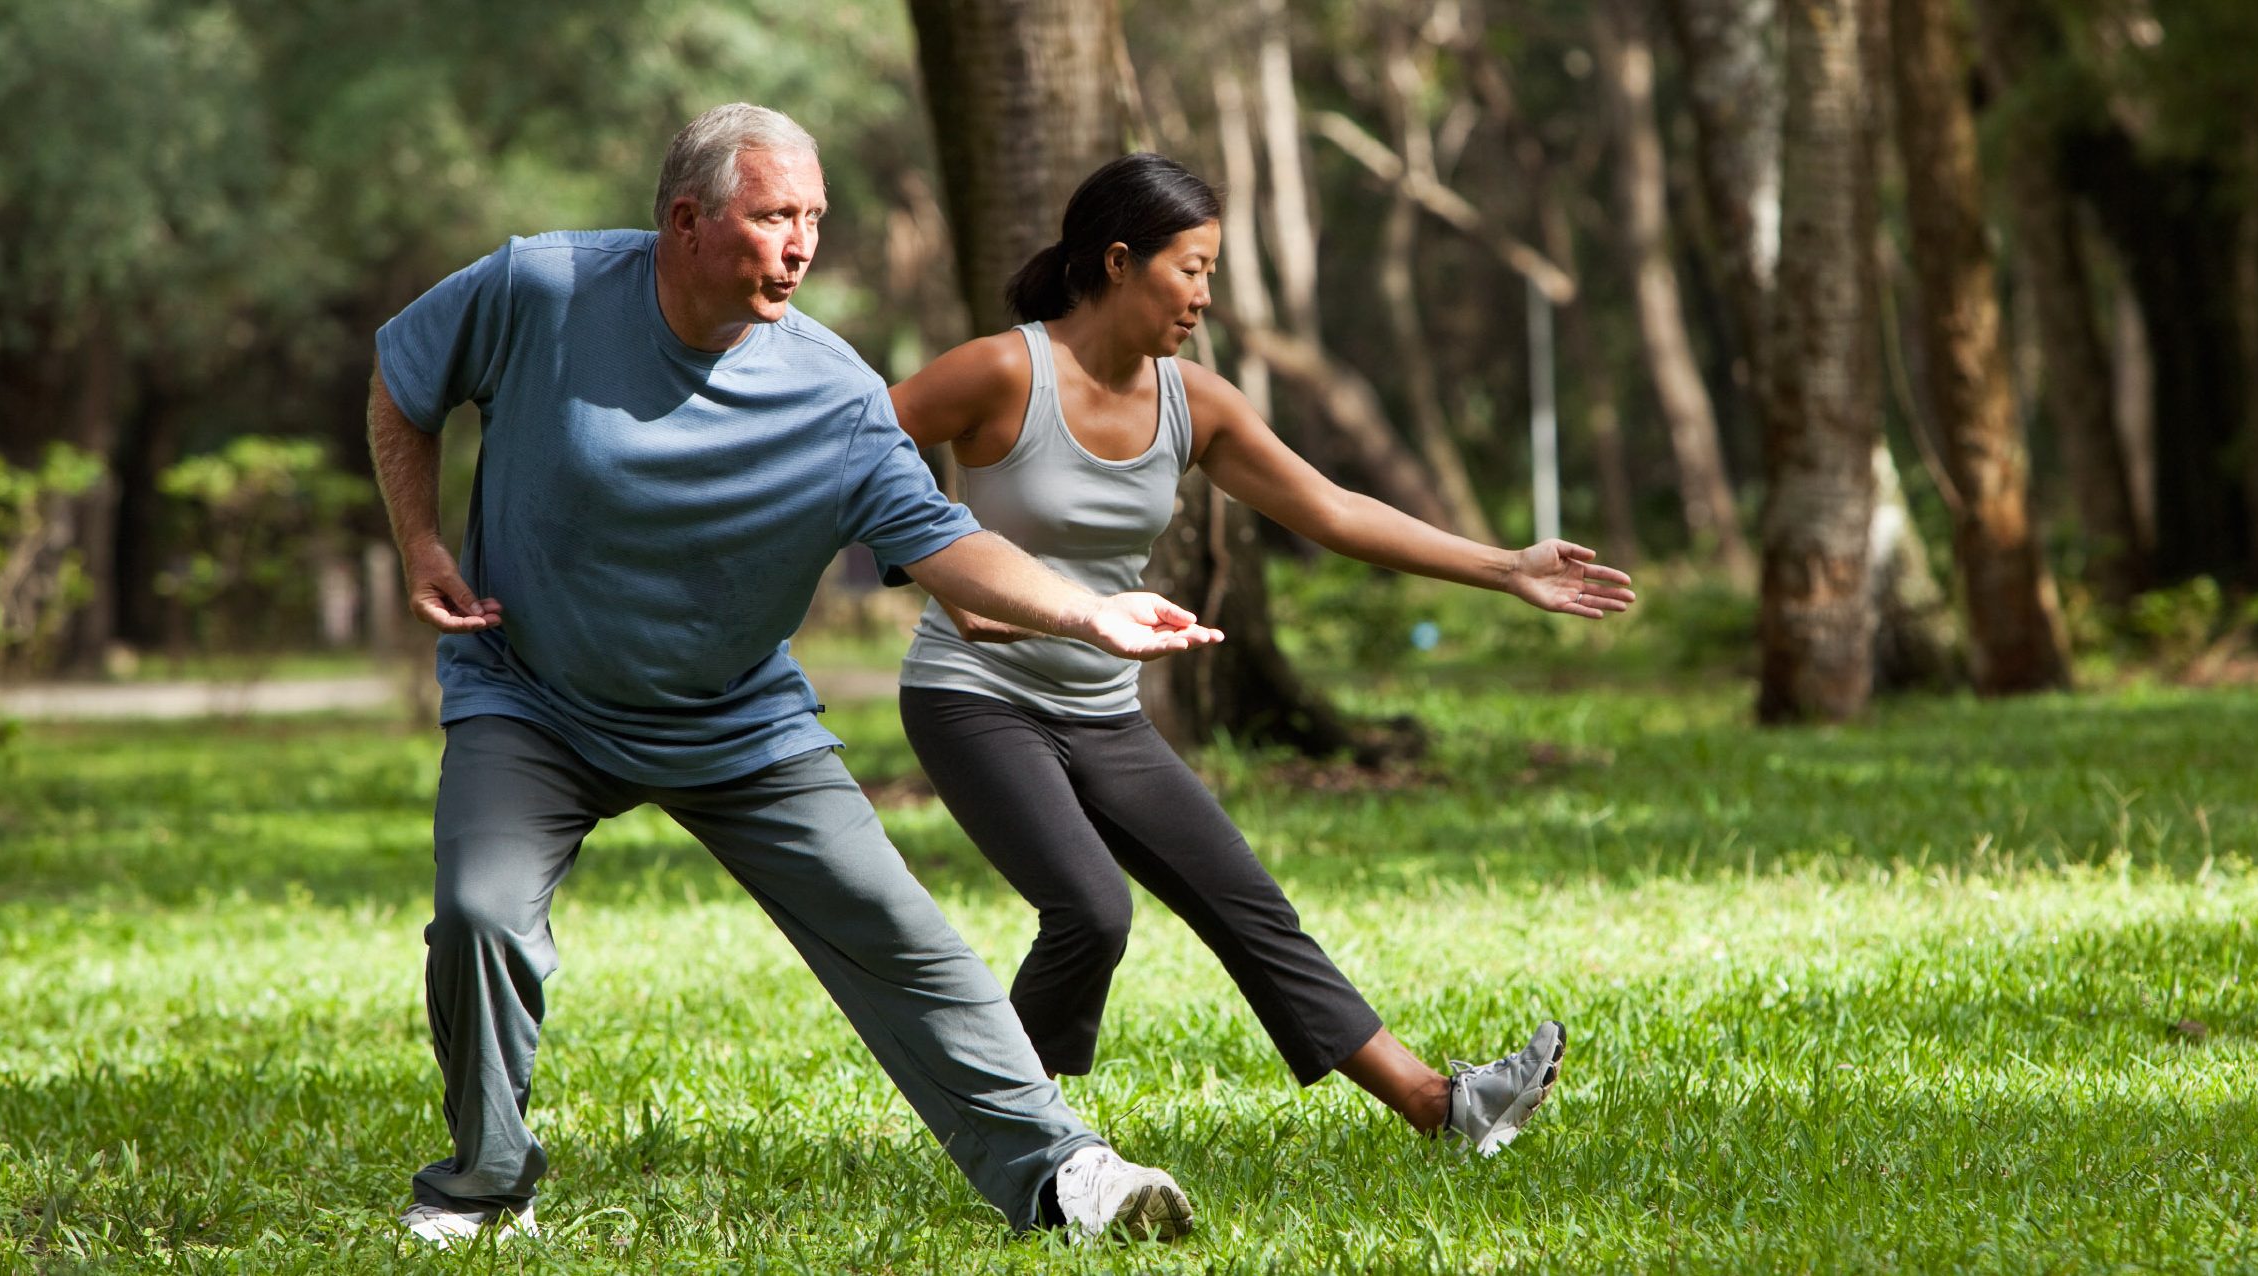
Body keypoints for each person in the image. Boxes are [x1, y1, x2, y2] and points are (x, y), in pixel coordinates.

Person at [368, 105, 1218, 1248]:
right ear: (686, 222)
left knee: (900, 927)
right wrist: (420, 538)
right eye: (775, 216)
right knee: (480, 915)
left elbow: (936, 538)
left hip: (734, 715)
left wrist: (1087, 609)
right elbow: (403, 380)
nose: (802, 244)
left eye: (814, 217)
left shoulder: (834, 391)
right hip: (533, 693)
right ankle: (484, 1185)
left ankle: (1065, 1171)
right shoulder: (542, 289)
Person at [887, 153, 1635, 1156]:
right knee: (1091, 911)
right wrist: (942, 577)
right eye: (1188, 269)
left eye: (1210, 272)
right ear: (1117, 261)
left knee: (1248, 905)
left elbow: (1333, 509)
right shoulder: (1001, 372)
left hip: (1104, 708)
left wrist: (1505, 567)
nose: (1203, 295)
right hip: (973, 696)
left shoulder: (1194, 400)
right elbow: (851, 456)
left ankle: (1439, 1106)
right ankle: (1015, 1137)